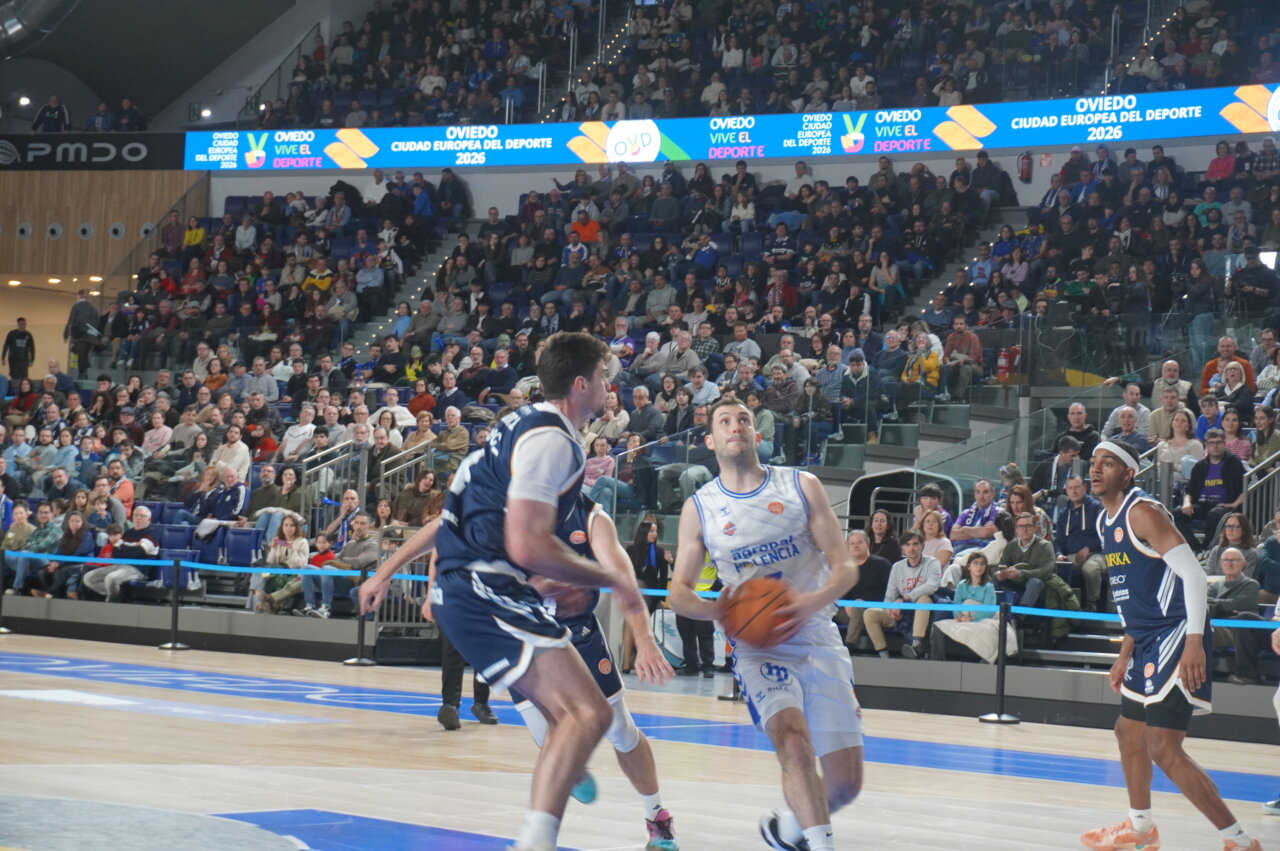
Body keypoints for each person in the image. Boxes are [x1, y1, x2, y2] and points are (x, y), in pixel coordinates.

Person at [413, 332, 642, 851]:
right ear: (582, 384)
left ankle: (537, 838)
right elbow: (528, 542)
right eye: (605, 377)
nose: (610, 386)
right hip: (485, 586)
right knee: (586, 715)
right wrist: (608, 578)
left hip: (476, 580)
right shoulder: (554, 440)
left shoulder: (522, 423)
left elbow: (476, 505)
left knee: (591, 715)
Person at [669, 397, 861, 851]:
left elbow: (845, 567)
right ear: (710, 439)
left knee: (845, 785)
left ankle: (789, 831)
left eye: (744, 420)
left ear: (756, 434)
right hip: (757, 646)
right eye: (724, 421)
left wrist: (809, 601)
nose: (735, 426)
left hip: (816, 636)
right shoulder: (701, 507)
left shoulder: (802, 485)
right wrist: (719, 610)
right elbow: (679, 592)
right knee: (792, 743)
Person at [1081, 440, 1260, 851]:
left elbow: (1195, 578)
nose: (1095, 470)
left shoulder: (1143, 513)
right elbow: (1137, 594)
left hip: (1178, 633)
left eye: (1107, 464)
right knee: (1128, 732)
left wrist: (1194, 642)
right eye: (1093, 463)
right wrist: (1123, 655)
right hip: (1144, 639)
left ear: (1127, 474)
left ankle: (1239, 840)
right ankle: (1140, 829)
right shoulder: (1105, 522)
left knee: (1162, 745)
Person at [864, 530, 941, 659]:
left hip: (920, 608)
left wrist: (906, 597)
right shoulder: (897, 567)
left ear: (922, 545)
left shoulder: (932, 562)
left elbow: (933, 585)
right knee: (870, 613)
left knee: (923, 598)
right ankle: (884, 656)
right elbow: (889, 596)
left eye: (915, 544)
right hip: (901, 612)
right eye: (908, 544)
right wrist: (891, 609)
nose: (912, 548)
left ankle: (917, 646)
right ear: (903, 547)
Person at [1175, 429, 1246, 553]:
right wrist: (1187, 503)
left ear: (1224, 444)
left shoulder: (1234, 463)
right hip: (1202, 504)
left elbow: (1248, 486)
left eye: (1219, 442)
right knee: (1174, 514)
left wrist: (1234, 504)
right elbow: (1189, 489)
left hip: (1224, 506)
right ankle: (1196, 549)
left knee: (1215, 513)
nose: (1215, 446)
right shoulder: (1200, 466)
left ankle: (1208, 550)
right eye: (1211, 443)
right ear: (1206, 445)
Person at [841, 529, 892, 651]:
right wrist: (846, 604)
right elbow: (839, 594)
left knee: (859, 604)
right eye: (852, 544)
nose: (856, 546)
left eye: (859, 542)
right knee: (824, 610)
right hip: (848, 612)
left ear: (868, 545)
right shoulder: (845, 569)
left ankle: (849, 646)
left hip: (874, 611)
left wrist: (863, 602)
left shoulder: (881, 564)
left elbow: (891, 591)